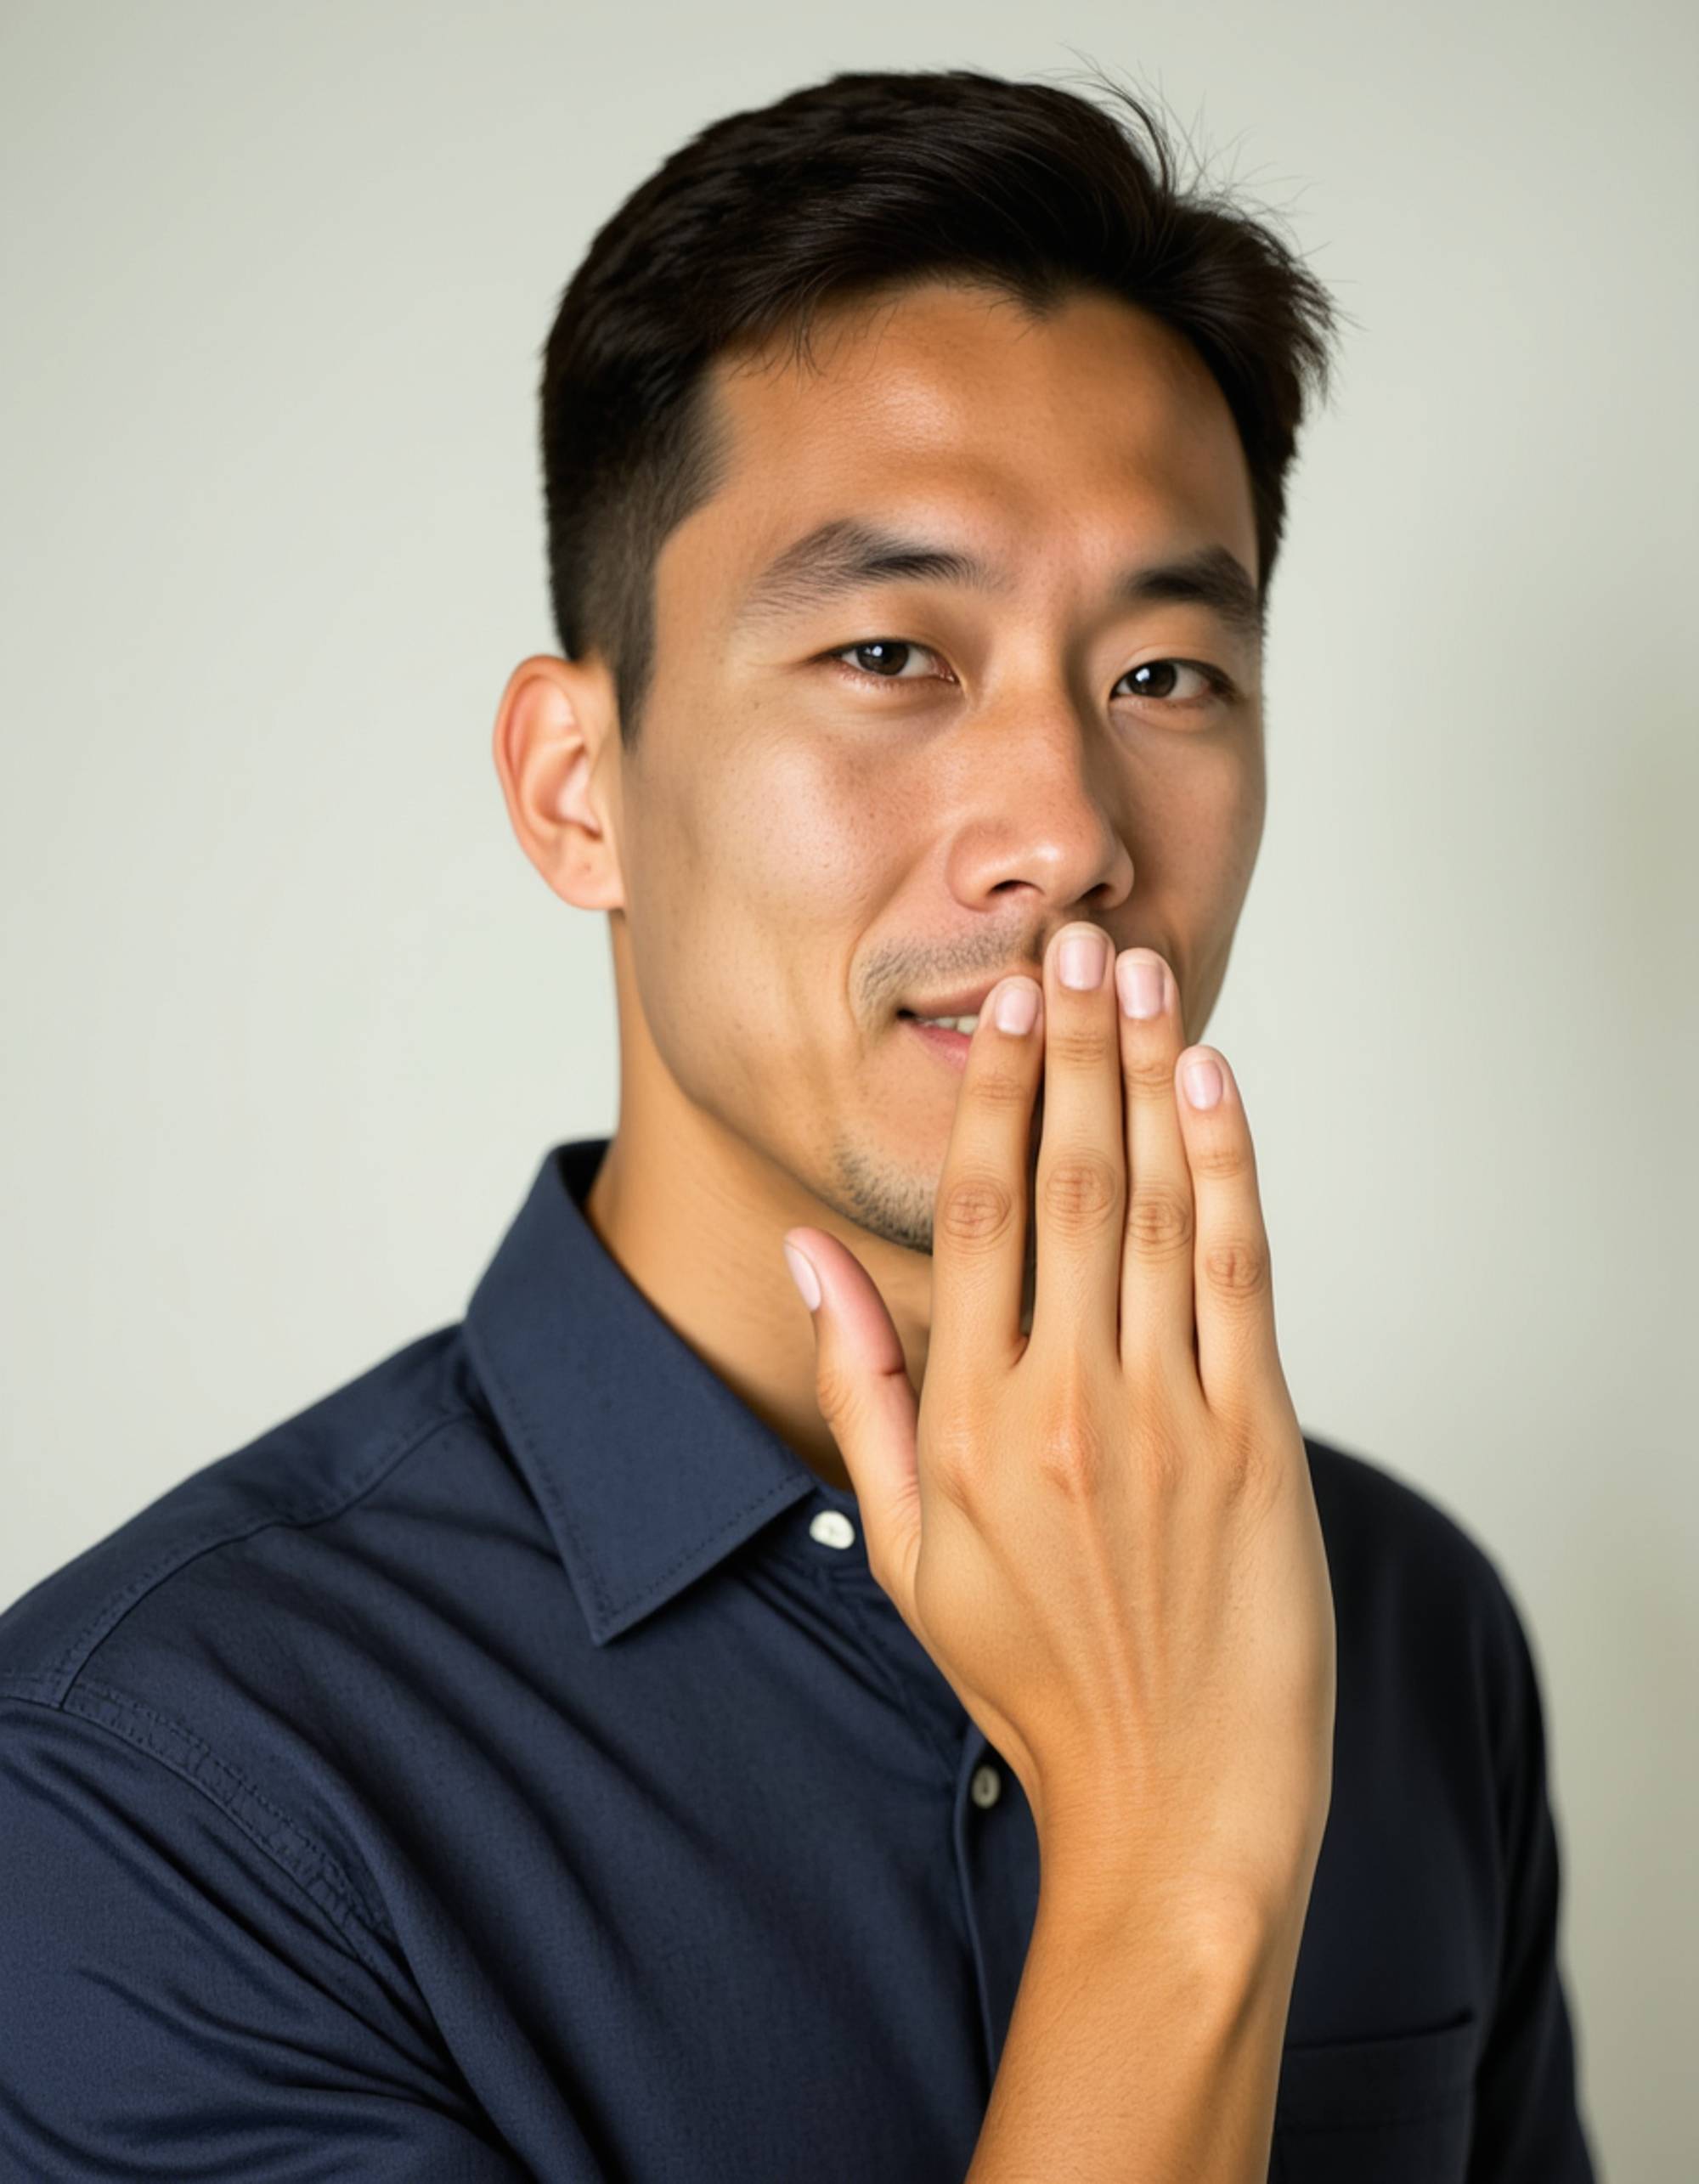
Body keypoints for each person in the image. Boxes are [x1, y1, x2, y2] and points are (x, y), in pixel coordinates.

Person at [0, 63, 1598, 2182]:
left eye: (1161, 677)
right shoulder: (140, 1787)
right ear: (578, 785)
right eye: (888, 650)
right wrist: (1175, 1875)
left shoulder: (1397, 1617)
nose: (1063, 832)